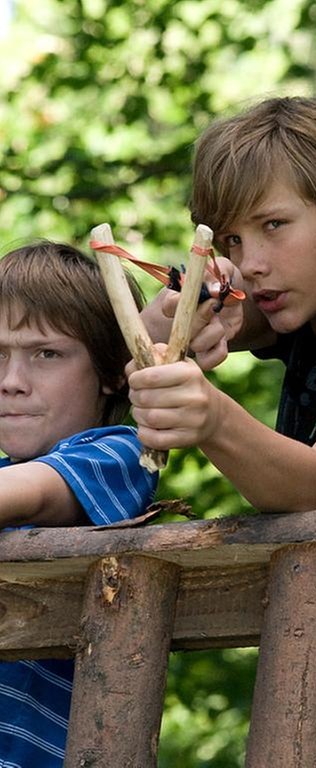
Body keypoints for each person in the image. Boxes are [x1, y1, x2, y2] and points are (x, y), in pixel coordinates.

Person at [133, 96, 316, 512]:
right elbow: (213, 316)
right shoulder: (311, 305)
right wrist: (173, 322)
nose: (250, 264)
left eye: (273, 225)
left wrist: (214, 421)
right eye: (233, 240)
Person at [0, 241, 158, 766]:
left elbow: (33, 493)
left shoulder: (117, 454)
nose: (11, 383)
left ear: (114, 371)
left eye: (46, 354)